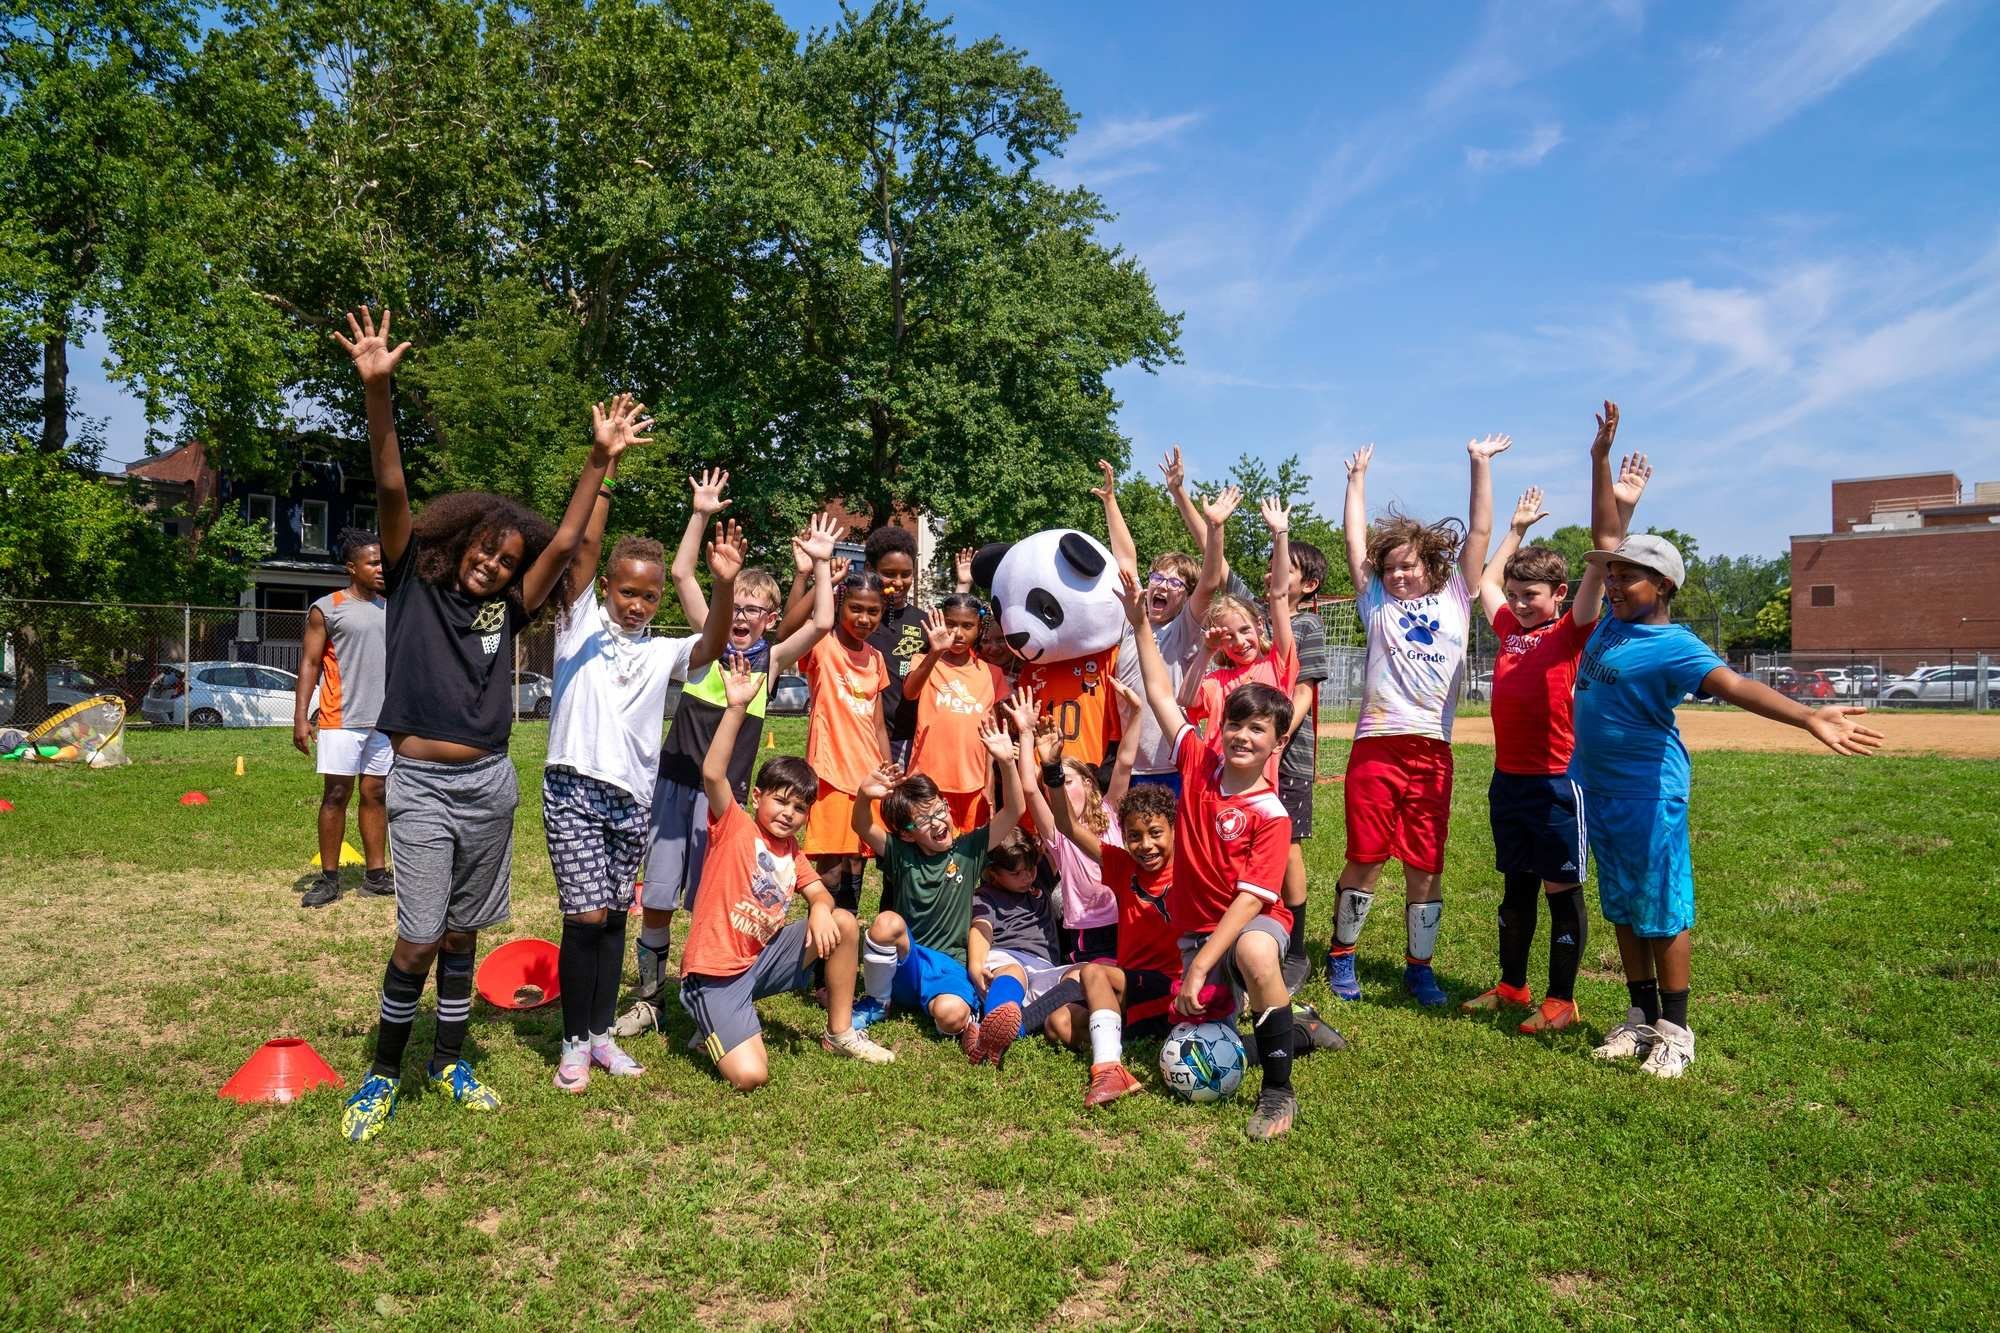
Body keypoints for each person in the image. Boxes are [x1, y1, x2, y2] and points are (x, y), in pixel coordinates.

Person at [333, 305, 637, 1143]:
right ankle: (383, 1072)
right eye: (484, 549)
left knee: (464, 932)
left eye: (507, 558)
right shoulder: (413, 581)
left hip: (489, 783)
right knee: (420, 932)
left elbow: (571, 537)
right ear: (457, 537)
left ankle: (451, 1058)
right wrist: (378, 392)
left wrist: (598, 459)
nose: (493, 563)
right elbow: (391, 485)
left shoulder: (512, 605)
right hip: (423, 783)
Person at [1574, 533, 1881, 1077]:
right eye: (1612, 575)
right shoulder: (1610, 624)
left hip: (1649, 791)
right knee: (1621, 903)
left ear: (1664, 585)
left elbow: (1737, 684)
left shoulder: (1676, 645)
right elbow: (1605, 531)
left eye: (1628, 576)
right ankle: (1640, 1016)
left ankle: (1676, 1029)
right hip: (1600, 789)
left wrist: (1809, 716)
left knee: (1662, 907)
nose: (1614, 585)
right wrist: (1602, 468)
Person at [542, 417, 739, 1092]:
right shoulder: (577, 628)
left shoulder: (661, 650)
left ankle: (600, 1035)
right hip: (572, 785)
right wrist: (604, 467)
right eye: (627, 590)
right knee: (585, 915)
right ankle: (573, 1040)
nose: (637, 603)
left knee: (614, 919)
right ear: (607, 590)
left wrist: (722, 586)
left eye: (649, 595)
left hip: (632, 795)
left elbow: (709, 645)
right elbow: (585, 547)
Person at [611, 468, 839, 1038]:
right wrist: (700, 514)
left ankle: (707, 990)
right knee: (659, 895)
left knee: (711, 900)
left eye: (754, 608)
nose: (740, 615)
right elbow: (685, 572)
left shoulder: (773, 660)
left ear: (768, 618)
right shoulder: (705, 641)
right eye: (735, 604)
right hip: (675, 784)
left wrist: (818, 568)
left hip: (726, 803)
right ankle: (649, 998)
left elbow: (824, 619)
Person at [1464, 403, 1650, 1033]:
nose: (1517, 603)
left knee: (1558, 889)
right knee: (1515, 888)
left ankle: (1561, 1000)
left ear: (1559, 598)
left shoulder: (1571, 632)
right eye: (1514, 596)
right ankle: (1512, 986)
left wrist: (1606, 481)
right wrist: (1514, 529)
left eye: (1530, 596)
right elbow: (1483, 579)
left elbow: (1601, 563)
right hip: (1507, 778)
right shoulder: (1509, 631)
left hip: (1556, 782)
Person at [1325, 434, 1511, 1007]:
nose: (1399, 576)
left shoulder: (1457, 595)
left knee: (1427, 862)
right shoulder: (1376, 602)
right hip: (1376, 745)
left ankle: (1419, 967)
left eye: (1408, 566)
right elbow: (1355, 541)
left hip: (1432, 750)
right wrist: (1355, 482)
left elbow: (1479, 534)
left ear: (1429, 566)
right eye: (1391, 568)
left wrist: (1479, 465)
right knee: (1366, 855)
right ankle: (1341, 956)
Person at [1117, 568, 1302, 1141]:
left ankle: (1277, 1092)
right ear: (1221, 728)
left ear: (1278, 741)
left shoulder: (1271, 815)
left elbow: (1251, 902)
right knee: (1198, 1020)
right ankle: (1297, 1028)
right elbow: (1158, 693)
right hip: (1196, 928)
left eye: (1259, 730)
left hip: (1251, 921)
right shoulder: (1197, 761)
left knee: (1254, 952)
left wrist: (1201, 961)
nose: (1245, 737)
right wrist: (1141, 622)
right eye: (1237, 725)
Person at [679, 656, 896, 1089]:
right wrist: (737, 707)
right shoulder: (734, 826)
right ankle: (709, 1021)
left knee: (843, 922)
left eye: (799, 808)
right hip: (714, 977)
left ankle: (839, 1033)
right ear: (757, 797)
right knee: (751, 1075)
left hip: (758, 963)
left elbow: (819, 893)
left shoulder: (791, 851)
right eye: (780, 801)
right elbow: (712, 772)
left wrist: (819, 906)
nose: (788, 813)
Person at [849, 714, 1025, 1062]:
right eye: (924, 819)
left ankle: (968, 1023)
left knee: (951, 1015)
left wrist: (1005, 763)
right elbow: (862, 825)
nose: (938, 821)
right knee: (885, 923)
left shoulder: (969, 849)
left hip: (950, 967)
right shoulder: (902, 854)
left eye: (939, 809)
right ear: (906, 833)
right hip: (907, 961)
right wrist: (862, 796)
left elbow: (1015, 810)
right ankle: (877, 1002)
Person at [1099, 451, 1235, 795]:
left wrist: (1215, 528)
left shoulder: (1185, 628)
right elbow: (1125, 560)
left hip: (1169, 764)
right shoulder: (1132, 622)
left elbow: (1209, 580)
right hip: (1126, 762)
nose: (1161, 585)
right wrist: (1111, 501)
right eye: (1157, 577)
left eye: (1174, 582)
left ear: (1185, 596)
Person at [295, 527, 393, 908]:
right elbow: (309, 663)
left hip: (383, 720)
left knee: (376, 793)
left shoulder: (392, 607)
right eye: (373, 562)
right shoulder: (327, 608)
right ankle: (329, 879)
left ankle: (375, 875)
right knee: (336, 794)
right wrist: (301, 717)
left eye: (383, 561)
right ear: (352, 568)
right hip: (340, 717)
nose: (381, 568)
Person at [1185, 497, 1299, 784]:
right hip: (1211, 786)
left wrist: (1280, 533)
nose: (1239, 641)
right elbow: (1185, 698)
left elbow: (1279, 595)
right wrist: (1205, 652)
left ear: (1260, 625)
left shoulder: (1277, 667)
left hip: (1257, 791)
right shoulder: (1218, 681)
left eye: (1245, 630)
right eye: (1227, 635)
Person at [800, 572, 893, 912]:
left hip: (868, 777)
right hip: (830, 774)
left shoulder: (876, 659)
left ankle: (846, 935)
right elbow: (788, 627)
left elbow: (878, 724)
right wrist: (817, 578)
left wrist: (887, 772)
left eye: (874, 611)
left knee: (857, 862)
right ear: (839, 606)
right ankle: (821, 946)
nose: (864, 618)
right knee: (831, 869)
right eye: (856, 608)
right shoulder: (821, 645)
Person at [1274, 538, 1331, 989]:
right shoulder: (1256, 617)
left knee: (1288, 845)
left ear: (1308, 584)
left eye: (1286, 568)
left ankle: (1297, 951)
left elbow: (1304, 691)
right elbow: (1218, 571)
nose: (1274, 571)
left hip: (1286, 755)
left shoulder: (1308, 624)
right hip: (1247, 753)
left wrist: (1278, 737)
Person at [903, 595, 1008, 834]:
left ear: (979, 628)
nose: (958, 633)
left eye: (967, 626)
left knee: (968, 853)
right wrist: (934, 653)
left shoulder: (991, 673)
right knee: (930, 846)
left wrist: (989, 785)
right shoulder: (923, 660)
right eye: (951, 624)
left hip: (972, 785)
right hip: (928, 780)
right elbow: (910, 692)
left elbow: (991, 733)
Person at [964, 824, 1067, 1068]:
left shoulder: (1039, 879)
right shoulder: (985, 895)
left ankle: (1003, 1031)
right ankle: (996, 1019)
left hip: (1043, 968)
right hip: (1006, 960)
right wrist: (976, 965)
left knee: (1085, 974)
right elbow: (981, 928)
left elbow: (1055, 834)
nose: (1027, 877)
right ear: (994, 873)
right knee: (1014, 972)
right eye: (1017, 873)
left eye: (1030, 869)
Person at [864, 524, 928, 767]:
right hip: (862, 733)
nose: (899, 582)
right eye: (889, 573)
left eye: (906, 574)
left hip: (907, 739)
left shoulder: (923, 621)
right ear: (871, 569)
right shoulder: (858, 619)